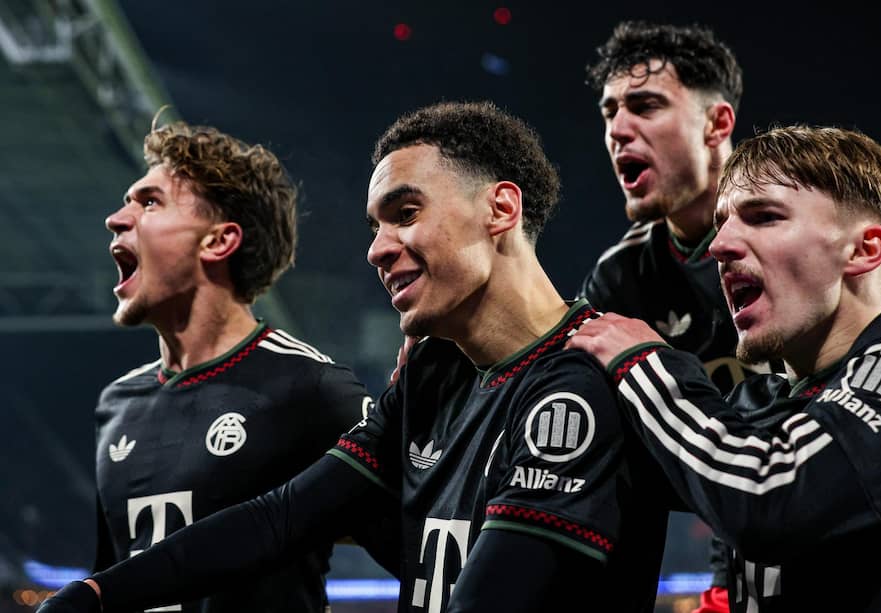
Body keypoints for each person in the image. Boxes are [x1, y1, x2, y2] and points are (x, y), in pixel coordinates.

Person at [39, 101, 669, 613]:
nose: (377, 249)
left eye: (406, 213)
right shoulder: (431, 375)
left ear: (500, 209)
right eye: (375, 226)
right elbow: (282, 518)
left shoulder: (580, 378)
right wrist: (98, 594)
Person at [578, 22, 881, 612]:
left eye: (763, 217)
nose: (720, 246)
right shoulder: (764, 395)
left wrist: (644, 363)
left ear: (864, 251)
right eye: (727, 222)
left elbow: (767, 494)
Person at [91, 119, 380, 613]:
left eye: (150, 202)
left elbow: (426, 538)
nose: (117, 219)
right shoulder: (115, 404)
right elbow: (109, 580)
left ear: (219, 241)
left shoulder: (309, 388)